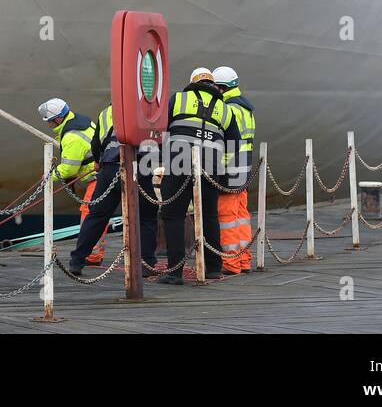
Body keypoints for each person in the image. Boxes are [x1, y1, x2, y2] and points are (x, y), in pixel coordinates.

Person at [158, 67, 241, 285]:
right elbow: (234, 144)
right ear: (213, 84)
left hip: (178, 163)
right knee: (208, 217)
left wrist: (160, 159)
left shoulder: (177, 100)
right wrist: (222, 174)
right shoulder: (225, 109)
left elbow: (159, 130)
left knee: (173, 215)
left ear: (192, 81)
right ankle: (214, 268)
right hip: (210, 168)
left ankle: (175, 272)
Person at [67, 102, 160, 276]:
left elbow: (96, 143)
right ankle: (147, 264)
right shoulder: (144, 109)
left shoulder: (105, 112)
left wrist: (98, 161)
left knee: (97, 216)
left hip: (109, 168)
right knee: (147, 216)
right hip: (138, 166)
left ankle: (77, 261)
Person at [36, 99, 98, 258]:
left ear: (57, 119)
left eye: (49, 122)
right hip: (102, 172)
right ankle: (92, 253)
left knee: (90, 215)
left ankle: (91, 256)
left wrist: (49, 175)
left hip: (98, 177)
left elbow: (70, 168)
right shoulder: (80, 120)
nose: (49, 125)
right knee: (95, 214)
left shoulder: (71, 136)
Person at [214, 65, 257, 274]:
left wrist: (218, 168)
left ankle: (231, 263)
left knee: (227, 218)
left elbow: (226, 142)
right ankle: (244, 260)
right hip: (245, 168)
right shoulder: (246, 108)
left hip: (230, 168)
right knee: (242, 216)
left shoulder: (228, 109)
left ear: (221, 88)